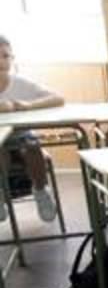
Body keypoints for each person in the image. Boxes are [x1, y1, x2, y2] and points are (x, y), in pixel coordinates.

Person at [0, 35, 64, 221]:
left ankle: (40, 191)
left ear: (12, 59)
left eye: (6, 56)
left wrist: (28, 106)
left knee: (32, 145)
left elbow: (58, 98)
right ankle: (1, 193)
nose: (1, 61)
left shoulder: (20, 83)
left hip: (21, 137)